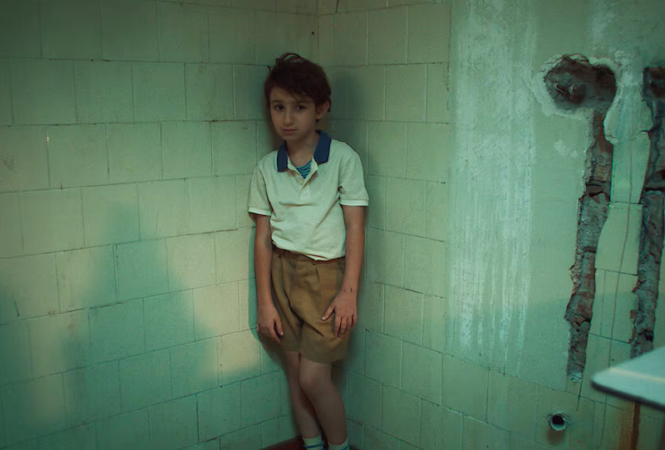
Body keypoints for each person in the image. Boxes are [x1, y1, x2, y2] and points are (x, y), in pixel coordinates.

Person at [248, 53, 368, 450]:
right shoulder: (266, 168)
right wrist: (265, 302)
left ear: (321, 109)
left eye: (299, 107)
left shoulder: (343, 158)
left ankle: (340, 447)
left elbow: (355, 227)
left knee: (314, 379)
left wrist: (348, 292)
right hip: (282, 274)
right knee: (295, 373)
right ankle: (312, 445)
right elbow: (262, 238)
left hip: (326, 277)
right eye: (278, 107)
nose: (287, 118)